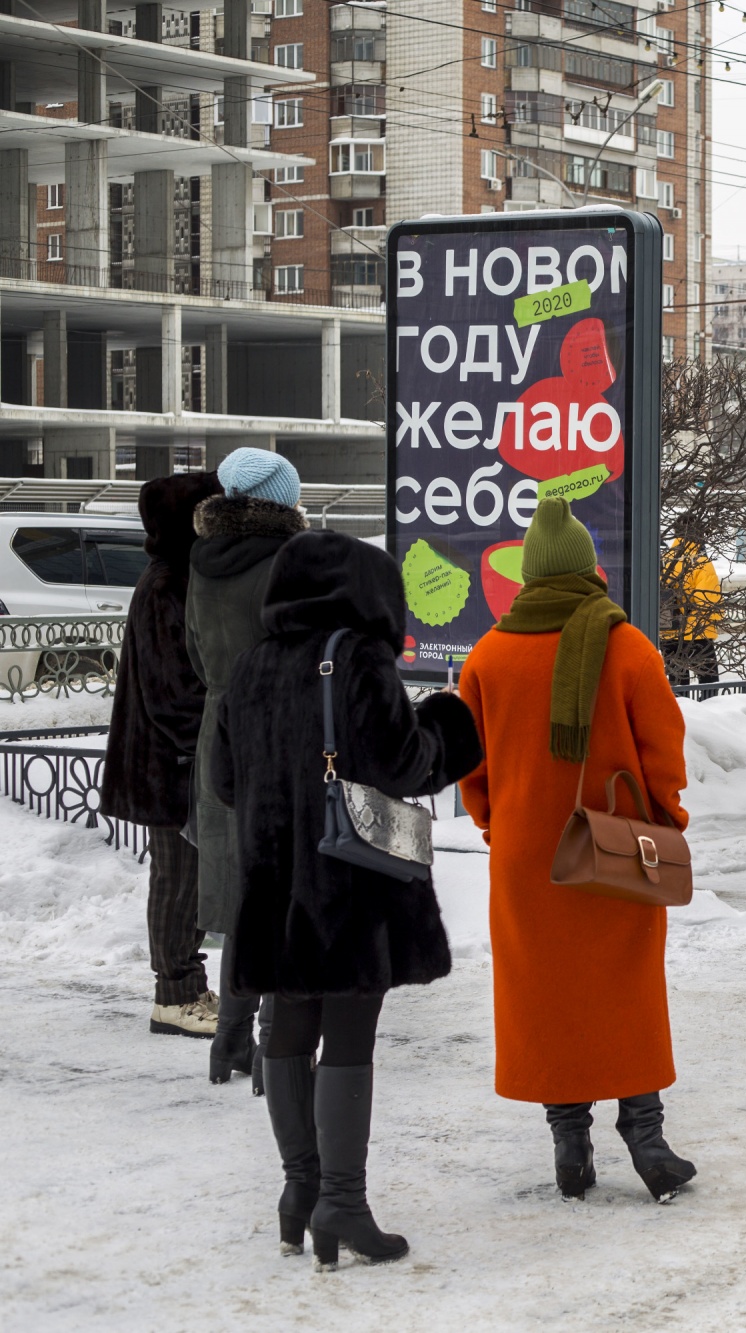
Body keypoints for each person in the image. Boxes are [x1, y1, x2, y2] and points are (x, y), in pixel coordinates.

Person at [215, 530, 482, 1270]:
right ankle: (344, 1200)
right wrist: (448, 727)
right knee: (351, 1037)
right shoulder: (356, 658)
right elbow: (405, 761)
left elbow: (223, 782)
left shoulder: (252, 664)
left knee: (291, 1027)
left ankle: (299, 1193)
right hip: (349, 882)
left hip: (273, 878)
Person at [459, 499, 698, 1205]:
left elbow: (473, 771)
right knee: (626, 990)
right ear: (588, 569)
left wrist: (499, 829)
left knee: (548, 997)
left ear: (528, 576)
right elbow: (663, 750)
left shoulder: (488, 655)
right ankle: (647, 1139)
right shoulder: (625, 645)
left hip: (529, 860)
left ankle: (570, 1146)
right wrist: (666, 820)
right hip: (619, 852)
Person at [186, 448, 307, 1090]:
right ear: (279, 502)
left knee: (242, 897)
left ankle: (229, 1041)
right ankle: (271, 1050)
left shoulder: (200, 564)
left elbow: (197, 657)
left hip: (220, 736)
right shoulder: (291, 564)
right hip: (281, 735)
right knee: (284, 895)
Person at [103, 470, 225, 1045]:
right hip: (169, 763)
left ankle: (186, 986)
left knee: (189, 877)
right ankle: (175, 995)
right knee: (178, 878)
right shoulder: (165, 585)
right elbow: (171, 689)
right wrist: (209, 737)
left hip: (175, 759)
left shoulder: (181, 576)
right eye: (208, 511)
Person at [662, 518, 722, 687]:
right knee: (709, 683)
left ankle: (683, 713)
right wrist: (718, 615)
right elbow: (708, 601)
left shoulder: (665, 560)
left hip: (669, 631)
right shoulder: (701, 562)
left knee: (679, 683)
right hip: (698, 632)